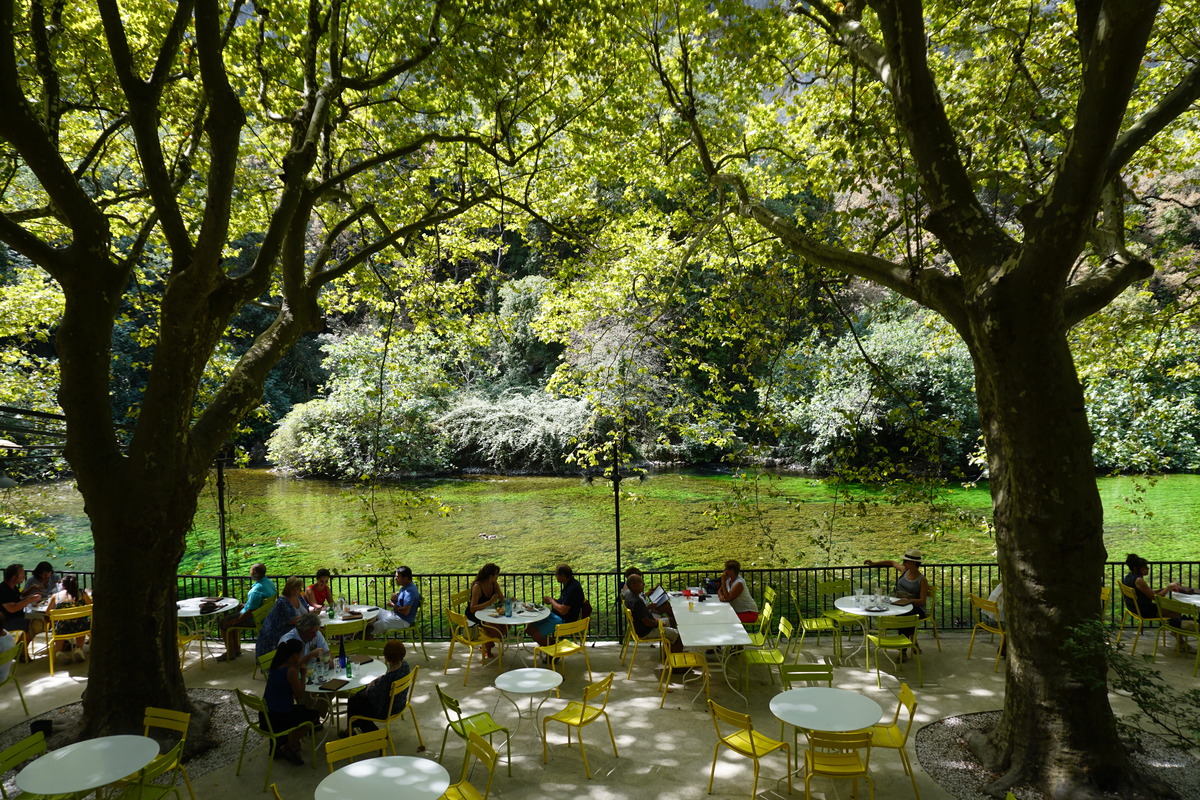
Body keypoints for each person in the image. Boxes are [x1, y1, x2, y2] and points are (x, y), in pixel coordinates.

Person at [262, 639, 320, 765]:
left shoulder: (275, 666)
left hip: (265, 716)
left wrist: (298, 666)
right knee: (312, 716)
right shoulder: (291, 671)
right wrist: (303, 675)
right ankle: (288, 745)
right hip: (278, 719)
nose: (300, 657)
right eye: (300, 654)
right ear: (294, 655)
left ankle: (290, 744)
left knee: (303, 709)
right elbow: (299, 694)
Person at [1123, 553, 1195, 652]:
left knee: (1172, 611)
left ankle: (1175, 633)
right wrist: (1168, 588)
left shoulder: (1128, 577)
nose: (1147, 569)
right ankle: (1180, 641)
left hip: (1134, 608)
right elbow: (1156, 598)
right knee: (1175, 611)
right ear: (1136, 568)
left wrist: (1165, 589)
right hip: (1144, 610)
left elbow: (1148, 593)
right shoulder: (1139, 580)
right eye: (1144, 567)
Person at [864, 549, 929, 648]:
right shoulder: (904, 571)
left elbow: (922, 601)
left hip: (916, 608)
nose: (903, 563)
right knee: (901, 615)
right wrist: (874, 563)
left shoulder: (922, 580)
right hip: (900, 605)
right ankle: (912, 641)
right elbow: (891, 562)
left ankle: (902, 650)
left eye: (905, 561)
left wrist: (909, 601)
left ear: (913, 563)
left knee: (904, 617)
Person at [345, 640, 411, 735]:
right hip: (399, 704)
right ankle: (351, 730)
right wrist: (377, 680)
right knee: (357, 701)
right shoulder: (405, 666)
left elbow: (372, 694)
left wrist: (369, 686)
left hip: (385, 710)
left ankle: (375, 735)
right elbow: (386, 678)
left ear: (387, 657)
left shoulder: (387, 679)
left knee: (353, 703)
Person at [217, 563, 277, 661]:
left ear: (255, 572)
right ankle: (235, 649)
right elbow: (258, 604)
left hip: (253, 619)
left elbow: (251, 611)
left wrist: (236, 621)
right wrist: (247, 605)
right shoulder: (269, 583)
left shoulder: (256, 591)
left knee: (224, 623)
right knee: (230, 617)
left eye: (251, 570)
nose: (250, 572)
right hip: (264, 616)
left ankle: (231, 652)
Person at [529, 563, 586, 647]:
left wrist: (552, 601)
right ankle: (552, 644)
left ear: (562, 576)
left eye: (556, 574)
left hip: (563, 620)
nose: (555, 576)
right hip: (555, 616)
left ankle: (554, 651)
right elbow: (565, 603)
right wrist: (553, 600)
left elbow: (563, 611)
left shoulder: (572, 589)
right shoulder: (569, 584)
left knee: (536, 635)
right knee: (529, 628)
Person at [625, 573, 683, 654]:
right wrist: (659, 624)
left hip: (642, 627)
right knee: (679, 635)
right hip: (646, 631)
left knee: (672, 621)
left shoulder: (629, 596)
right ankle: (673, 660)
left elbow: (643, 615)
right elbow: (647, 622)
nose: (644, 584)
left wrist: (656, 620)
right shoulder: (636, 602)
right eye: (641, 583)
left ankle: (668, 650)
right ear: (633, 586)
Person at [257, 576, 310, 659]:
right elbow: (293, 620)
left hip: (294, 628)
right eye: (298, 589)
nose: (300, 591)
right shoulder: (283, 602)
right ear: (291, 589)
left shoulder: (298, 596)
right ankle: (302, 660)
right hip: (277, 633)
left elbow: (306, 608)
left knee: (312, 633)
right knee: (307, 635)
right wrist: (309, 616)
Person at [45, 575, 91, 664]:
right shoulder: (82, 594)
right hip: (80, 628)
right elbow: (91, 606)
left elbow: (47, 612)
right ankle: (78, 649)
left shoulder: (56, 596)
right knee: (80, 621)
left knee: (60, 624)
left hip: (63, 629)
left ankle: (59, 651)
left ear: (63, 586)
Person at [465, 563, 505, 659]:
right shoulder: (477, 587)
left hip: (487, 612)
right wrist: (490, 602)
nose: (498, 577)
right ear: (491, 576)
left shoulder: (494, 584)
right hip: (475, 615)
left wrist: (509, 601)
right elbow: (472, 608)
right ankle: (487, 646)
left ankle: (486, 644)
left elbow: (502, 598)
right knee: (496, 631)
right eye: (496, 574)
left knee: (507, 626)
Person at [370, 566, 421, 636]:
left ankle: (362, 639)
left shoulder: (410, 592)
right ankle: (365, 638)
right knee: (374, 610)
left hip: (403, 621)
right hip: (395, 615)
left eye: (398, 577)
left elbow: (405, 612)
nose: (395, 579)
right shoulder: (405, 587)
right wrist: (396, 600)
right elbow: (403, 603)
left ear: (405, 579)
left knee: (373, 626)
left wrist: (393, 605)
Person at [0, 564, 43, 635]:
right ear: (14, 577)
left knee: (39, 619)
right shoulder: (3, 590)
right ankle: (23, 644)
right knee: (36, 625)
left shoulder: (13, 587)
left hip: (18, 617)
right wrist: (30, 599)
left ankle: (24, 642)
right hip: (7, 622)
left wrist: (32, 596)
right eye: (22, 575)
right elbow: (13, 608)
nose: (24, 577)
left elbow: (19, 599)